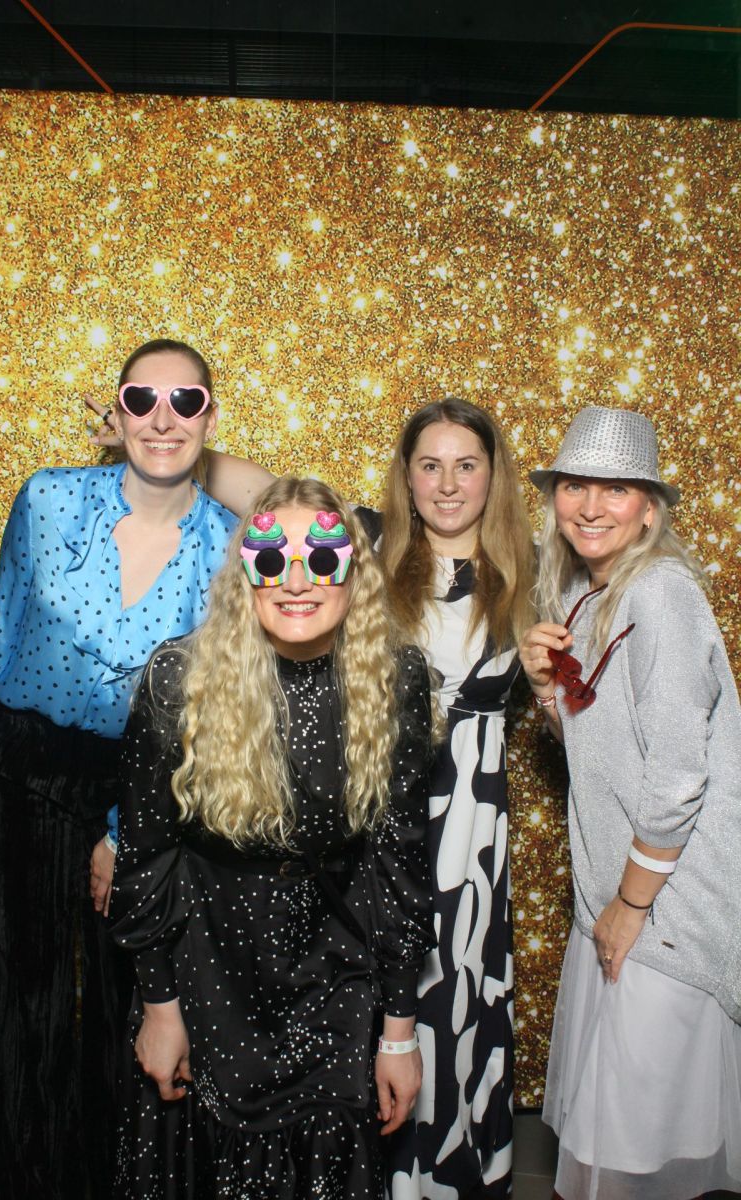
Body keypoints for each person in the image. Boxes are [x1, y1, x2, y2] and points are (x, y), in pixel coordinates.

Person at [0, 338, 237, 1200]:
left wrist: (120, 829)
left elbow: (197, 717)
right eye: (142, 399)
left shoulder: (228, 547)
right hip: (22, 766)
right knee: (23, 998)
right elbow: (2, 620)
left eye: (185, 402)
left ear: (210, 418)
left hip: (139, 784)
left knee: (127, 1002)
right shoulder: (47, 497)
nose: (162, 419)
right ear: (117, 411)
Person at [110, 475, 436, 1199]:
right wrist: (160, 1007)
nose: (295, 581)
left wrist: (399, 1031)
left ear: (354, 572)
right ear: (243, 574)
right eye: (269, 560)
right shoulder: (179, 680)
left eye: (320, 559)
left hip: (335, 976)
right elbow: (144, 860)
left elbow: (401, 868)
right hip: (208, 974)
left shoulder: (396, 679)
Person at [519, 406, 741, 1200]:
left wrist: (630, 905)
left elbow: (677, 774)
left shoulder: (663, 594)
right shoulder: (586, 594)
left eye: (615, 488)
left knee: (634, 1143)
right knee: (619, 1137)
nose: (590, 506)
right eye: (575, 485)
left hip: (664, 902)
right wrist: (546, 690)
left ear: (649, 508)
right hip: (615, 890)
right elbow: (607, 745)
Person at [356, 397, 536, 1200]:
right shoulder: (371, 550)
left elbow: (576, 697)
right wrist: (166, 434)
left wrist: (556, 693)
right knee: (381, 994)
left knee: (458, 994)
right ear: (407, 477)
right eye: (430, 465)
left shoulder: (530, 570)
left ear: (493, 477)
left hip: (472, 825)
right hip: (381, 812)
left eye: (467, 465)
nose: (449, 484)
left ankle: (456, 1173)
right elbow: (267, 494)